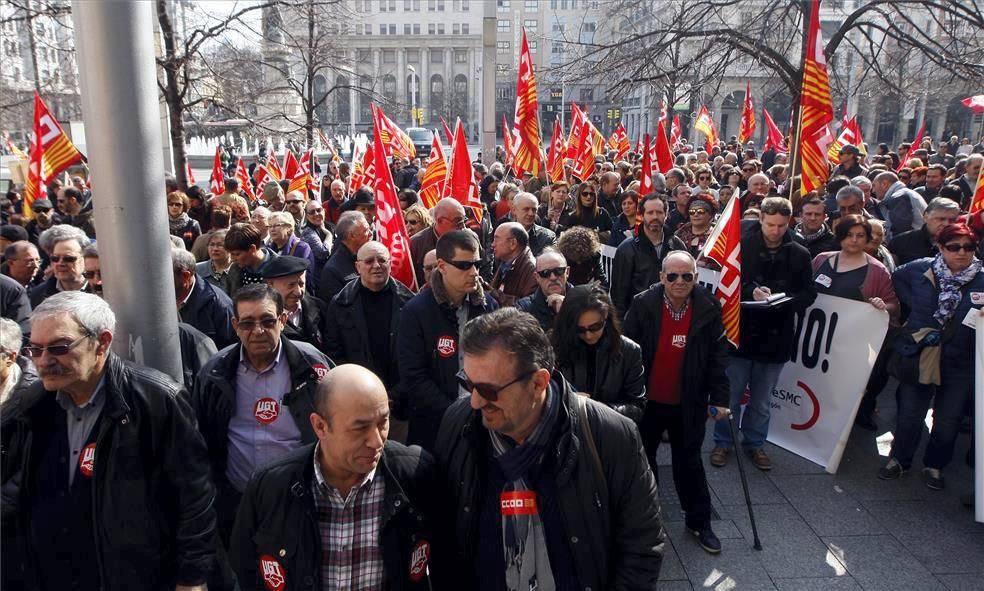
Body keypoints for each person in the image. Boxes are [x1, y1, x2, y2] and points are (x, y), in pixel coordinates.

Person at [434, 307, 664, 589]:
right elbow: (444, 535)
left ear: (538, 382)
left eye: (490, 391)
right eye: (467, 384)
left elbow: (642, 546)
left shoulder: (611, 435)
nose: (476, 402)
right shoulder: (458, 425)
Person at [2, 291, 216, 591]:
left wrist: (192, 578)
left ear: (101, 342)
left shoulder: (156, 401)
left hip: (133, 575)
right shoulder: (31, 405)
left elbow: (194, 497)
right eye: (35, 349)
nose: (44, 360)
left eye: (59, 347)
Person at [230, 364, 444, 591]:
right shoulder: (271, 488)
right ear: (320, 426)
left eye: (383, 423)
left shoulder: (415, 476)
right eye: (360, 428)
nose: (376, 441)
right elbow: (245, 569)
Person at [192, 285, 334, 544]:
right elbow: (200, 439)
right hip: (238, 500)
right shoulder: (215, 373)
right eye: (247, 323)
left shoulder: (313, 365)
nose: (257, 331)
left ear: (282, 320)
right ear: (235, 325)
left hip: (302, 497)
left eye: (267, 321)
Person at [622, 250, 731, 554]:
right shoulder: (643, 303)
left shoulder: (709, 307)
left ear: (696, 278)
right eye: (672, 276)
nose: (679, 281)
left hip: (688, 402)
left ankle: (699, 522)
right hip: (647, 402)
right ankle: (645, 521)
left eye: (686, 276)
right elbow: (626, 351)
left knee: (690, 462)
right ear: (662, 277)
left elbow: (717, 358)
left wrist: (721, 398)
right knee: (643, 462)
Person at [710, 197, 816, 470]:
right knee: (730, 396)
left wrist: (785, 299)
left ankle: (755, 444)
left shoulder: (800, 254)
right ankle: (723, 442)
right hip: (740, 334)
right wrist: (751, 291)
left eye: (781, 225)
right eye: (771, 224)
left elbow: (808, 294)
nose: (776, 230)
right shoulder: (741, 247)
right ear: (761, 220)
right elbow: (729, 284)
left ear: (789, 222)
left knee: (762, 401)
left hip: (776, 336)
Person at [880, 223, 983, 490]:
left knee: (948, 420)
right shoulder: (918, 269)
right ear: (940, 248)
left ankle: (935, 465)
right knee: (910, 414)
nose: (962, 253)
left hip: (960, 360)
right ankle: (899, 460)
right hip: (920, 353)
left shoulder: (982, 278)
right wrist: (913, 312)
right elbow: (895, 281)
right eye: (954, 247)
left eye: (969, 247)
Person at [397, 230, 497, 450]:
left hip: (485, 422)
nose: (473, 272)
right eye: (464, 265)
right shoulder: (415, 312)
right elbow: (414, 377)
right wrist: (456, 413)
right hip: (436, 427)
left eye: (477, 264)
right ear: (441, 266)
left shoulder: (488, 306)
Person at [323, 242, 414, 390]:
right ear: (358, 267)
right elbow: (335, 353)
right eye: (369, 261)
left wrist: (397, 393)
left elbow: (416, 356)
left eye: (382, 260)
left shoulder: (409, 302)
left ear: (390, 264)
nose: (377, 265)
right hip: (358, 392)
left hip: (403, 394)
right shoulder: (340, 303)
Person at [550, 285, 645, 422]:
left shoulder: (629, 351)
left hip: (610, 432)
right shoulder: (554, 347)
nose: (588, 335)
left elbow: (637, 407)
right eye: (580, 330)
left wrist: (593, 409)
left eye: (595, 327)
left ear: (606, 318)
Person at [611, 193, 687, 319]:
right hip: (638, 319)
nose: (655, 217)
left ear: (666, 215)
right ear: (642, 215)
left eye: (659, 212)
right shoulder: (626, 249)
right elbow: (619, 295)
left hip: (671, 318)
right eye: (650, 213)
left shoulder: (677, 245)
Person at [812, 215, 899, 316]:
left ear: (867, 238)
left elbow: (894, 306)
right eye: (849, 235)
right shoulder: (821, 259)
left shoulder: (878, 270)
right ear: (840, 236)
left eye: (860, 235)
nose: (854, 240)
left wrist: (882, 305)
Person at [262, 255, 330, 350]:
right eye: (291, 285)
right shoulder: (262, 319)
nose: (298, 292)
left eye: (301, 284)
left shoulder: (319, 307)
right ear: (270, 285)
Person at [29, 224, 92, 308]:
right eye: (55, 258)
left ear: (84, 258)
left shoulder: (100, 288)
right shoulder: (39, 294)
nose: (60, 263)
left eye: (68, 258)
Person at [316, 210, 371, 302]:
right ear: (351, 235)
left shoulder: (367, 256)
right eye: (366, 230)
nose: (370, 233)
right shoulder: (333, 270)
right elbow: (336, 308)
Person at [888, 197, 961, 266]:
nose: (946, 224)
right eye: (941, 219)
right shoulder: (900, 242)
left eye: (952, 220)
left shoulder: (964, 246)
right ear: (926, 217)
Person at [409, 198, 466, 286]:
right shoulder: (415, 244)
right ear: (439, 220)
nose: (463, 226)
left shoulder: (469, 239)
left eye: (464, 221)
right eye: (457, 222)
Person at [516, 250, 571, 332]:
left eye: (558, 271)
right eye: (545, 273)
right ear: (537, 277)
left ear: (567, 272)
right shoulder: (524, 309)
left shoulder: (584, 301)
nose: (553, 277)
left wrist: (565, 311)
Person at [489, 222, 538, 307]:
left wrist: (493, 294)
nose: (492, 244)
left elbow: (528, 306)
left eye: (496, 239)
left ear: (513, 243)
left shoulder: (532, 270)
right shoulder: (506, 260)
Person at [224, 222, 279, 296]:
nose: (233, 259)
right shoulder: (235, 269)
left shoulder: (279, 268)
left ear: (252, 248)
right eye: (231, 254)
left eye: (237, 254)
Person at [873, 171, 927, 240]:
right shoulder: (904, 194)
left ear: (884, 184)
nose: (873, 190)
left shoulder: (899, 197)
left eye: (874, 185)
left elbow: (900, 231)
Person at [267, 211, 314, 284]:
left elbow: (308, 278)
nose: (272, 229)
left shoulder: (302, 248)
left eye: (277, 225)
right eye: (270, 226)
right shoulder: (268, 250)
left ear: (288, 227)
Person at [298, 198, 334, 286]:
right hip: (318, 280)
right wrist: (329, 235)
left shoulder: (330, 226)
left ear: (324, 211)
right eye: (312, 212)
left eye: (318, 210)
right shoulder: (307, 232)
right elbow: (323, 252)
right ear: (306, 216)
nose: (316, 214)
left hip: (332, 275)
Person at [509, 192, 556, 257]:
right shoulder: (504, 234)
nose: (531, 213)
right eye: (526, 209)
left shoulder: (547, 237)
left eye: (534, 210)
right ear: (514, 210)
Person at [196, 228, 233, 293]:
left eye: (220, 245)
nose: (215, 249)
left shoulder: (238, 270)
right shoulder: (197, 269)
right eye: (212, 244)